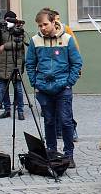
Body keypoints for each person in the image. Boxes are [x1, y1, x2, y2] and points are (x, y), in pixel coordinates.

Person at [25, 9, 83, 164]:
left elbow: (77, 63)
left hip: (63, 87)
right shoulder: (35, 41)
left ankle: (68, 154)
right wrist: (35, 82)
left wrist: (68, 82)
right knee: (49, 121)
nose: (42, 28)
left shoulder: (67, 39)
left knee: (65, 121)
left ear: (53, 22)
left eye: (45, 24)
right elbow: (30, 64)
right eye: (39, 25)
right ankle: (51, 152)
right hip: (43, 88)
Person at [0, 11, 26, 121]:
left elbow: (20, 43)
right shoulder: (2, 29)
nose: (8, 21)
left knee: (18, 89)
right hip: (3, 63)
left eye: (10, 19)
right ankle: (7, 110)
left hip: (15, 62)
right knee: (3, 90)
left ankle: (20, 110)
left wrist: (4, 46)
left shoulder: (19, 29)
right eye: (6, 19)